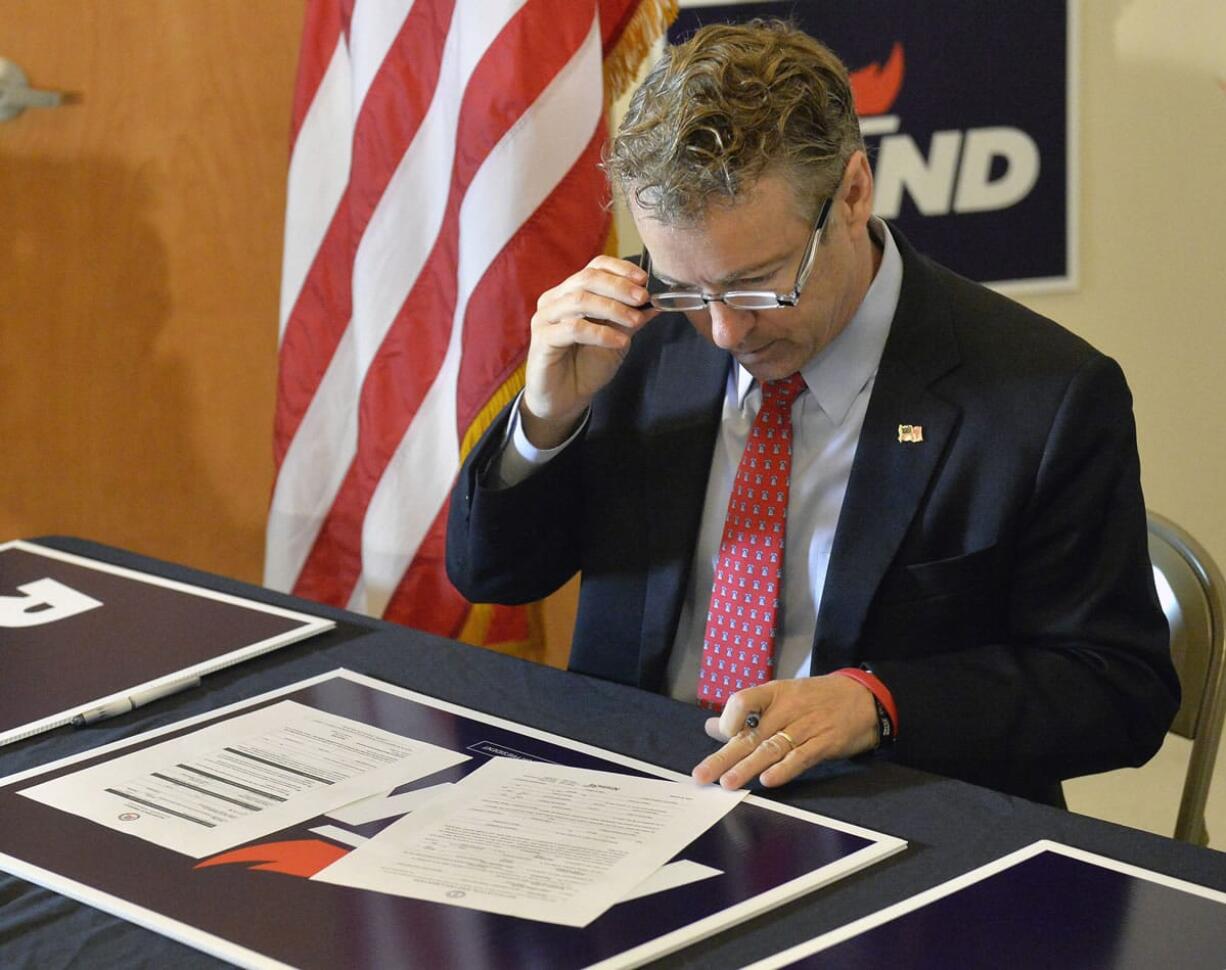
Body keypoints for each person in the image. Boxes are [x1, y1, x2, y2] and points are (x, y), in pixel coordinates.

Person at [446, 19, 1179, 806]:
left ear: (854, 193)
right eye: (689, 287)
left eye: (761, 283)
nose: (725, 330)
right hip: (635, 795)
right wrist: (548, 416)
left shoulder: (1045, 395)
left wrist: (881, 702)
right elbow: (495, 575)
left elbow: (1118, 688)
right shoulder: (635, 333)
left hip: (889, 822)